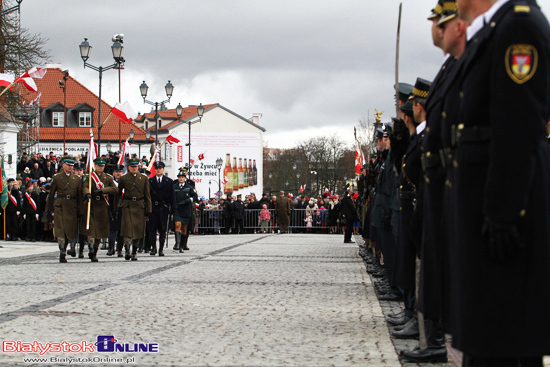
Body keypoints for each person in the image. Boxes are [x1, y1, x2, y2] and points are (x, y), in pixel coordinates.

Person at [440, 0, 550, 364]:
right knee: (487, 338)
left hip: (501, 216)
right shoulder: (495, 29)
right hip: (483, 209)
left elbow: (519, 127)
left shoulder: (518, 27)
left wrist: (503, 211)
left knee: (504, 339)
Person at [45, 157, 83, 263]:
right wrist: (48, 209)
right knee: (60, 229)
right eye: (68, 165)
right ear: (63, 166)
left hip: (72, 206)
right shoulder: (57, 178)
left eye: (72, 166)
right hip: (60, 206)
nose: (70, 167)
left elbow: (79, 195)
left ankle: (69, 247)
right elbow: (51, 194)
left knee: (70, 230)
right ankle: (62, 250)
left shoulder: (76, 179)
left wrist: (81, 210)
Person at [81, 158, 118, 262]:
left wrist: (102, 190)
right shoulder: (89, 177)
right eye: (98, 166)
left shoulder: (108, 177)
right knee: (92, 231)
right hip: (92, 206)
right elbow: (84, 187)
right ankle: (91, 248)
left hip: (102, 207)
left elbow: (115, 189)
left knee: (100, 232)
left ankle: (95, 251)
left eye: (102, 166)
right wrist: (87, 193)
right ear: (95, 166)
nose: (100, 168)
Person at [118, 158, 152, 261]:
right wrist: (117, 206)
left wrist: (148, 209)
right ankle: (127, 250)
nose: (134, 168)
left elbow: (147, 195)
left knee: (138, 230)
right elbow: (118, 193)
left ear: (138, 167)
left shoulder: (144, 178)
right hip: (127, 205)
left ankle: (134, 252)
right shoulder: (124, 178)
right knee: (127, 229)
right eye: (132, 167)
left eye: (135, 166)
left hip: (139, 205)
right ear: (128, 167)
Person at [148, 161, 176, 256]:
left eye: (160, 168)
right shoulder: (150, 181)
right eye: (157, 168)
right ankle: (153, 248)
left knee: (163, 230)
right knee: (152, 229)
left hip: (164, 208)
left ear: (163, 170)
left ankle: (161, 249)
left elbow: (172, 196)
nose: (158, 170)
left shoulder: (169, 181)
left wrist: (173, 208)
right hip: (153, 208)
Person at [173, 168, 198, 252]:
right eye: (179, 177)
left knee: (184, 228)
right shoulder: (174, 187)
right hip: (177, 209)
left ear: (185, 178)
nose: (181, 178)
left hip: (186, 209)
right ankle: (177, 242)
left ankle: (182, 245)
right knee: (177, 225)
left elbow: (195, 197)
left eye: (182, 177)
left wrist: (189, 200)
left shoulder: (189, 187)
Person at [107, 164, 124, 256]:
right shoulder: (110, 182)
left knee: (122, 231)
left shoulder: (125, 182)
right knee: (112, 230)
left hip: (122, 209)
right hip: (112, 209)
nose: (118, 173)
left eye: (120, 172)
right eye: (116, 172)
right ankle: (111, 248)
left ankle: (120, 249)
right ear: (113, 173)